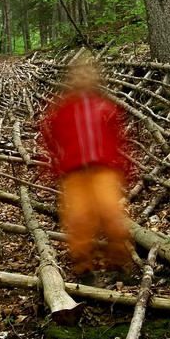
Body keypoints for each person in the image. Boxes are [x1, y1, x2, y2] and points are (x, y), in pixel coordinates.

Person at [39, 58, 135, 282]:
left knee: (112, 215)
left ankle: (120, 264)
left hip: (104, 171)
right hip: (74, 173)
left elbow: (120, 141)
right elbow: (50, 142)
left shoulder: (106, 108)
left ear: (95, 78)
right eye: (78, 75)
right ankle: (83, 270)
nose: (83, 79)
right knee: (79, 220)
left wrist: (126, 169)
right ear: (70, 80)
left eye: (88, 74)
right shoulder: (61, 112)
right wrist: (52, 170)